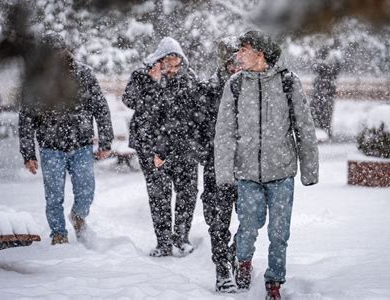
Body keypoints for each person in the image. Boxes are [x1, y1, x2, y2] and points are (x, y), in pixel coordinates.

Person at [214, 30, 319, 298]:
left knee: (279, 233)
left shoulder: (287, 82)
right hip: (247, 173)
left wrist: (309, 170)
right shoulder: (235, 85)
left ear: (260, 53)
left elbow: (304, 127)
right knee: (248, 227)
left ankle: (274, 282)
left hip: (282, 171)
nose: (238, 55)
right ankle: (244, 262)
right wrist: (224, 173)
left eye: (243, 49)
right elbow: (224, 132)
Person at [19, 33, 113, 245]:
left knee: (86, 191)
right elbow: (26, 118)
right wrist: (28, 153)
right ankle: (58, 234)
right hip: (50, 147)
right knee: (53, 196)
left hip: (81, 145)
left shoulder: (84, 74)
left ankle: (78, 216)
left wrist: (106, 141)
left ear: (66, 51)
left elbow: (101, 108)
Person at [122, 37, 200, 257]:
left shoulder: (189, 78)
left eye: (177, 64)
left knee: (188, 191)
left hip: (183, 144)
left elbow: (192, 111)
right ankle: (163, 242)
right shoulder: (142, 76)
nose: (173, 69)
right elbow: (131, 101)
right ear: (159, 60)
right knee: (159, 194)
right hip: (150, 144)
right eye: (168, 63)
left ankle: (181, 237)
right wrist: (154, 83)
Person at [197, 36, 241, 293]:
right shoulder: (208, 89)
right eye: (231, 60)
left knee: (250, 219)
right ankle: (222, 267)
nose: (236, 65)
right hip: (216, 164)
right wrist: (208, 154)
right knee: (217, 218)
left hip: (247, 166)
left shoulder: (253, 87)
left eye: (240, 59)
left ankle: (238, 257)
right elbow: (196, 128)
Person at [309, 45, 342, 138]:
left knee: (324, 113)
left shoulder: (332, 61)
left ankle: (324, 130)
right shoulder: (323, 65)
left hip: (326, 92)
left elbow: (336, 68)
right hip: (321, 92)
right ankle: (322, 130)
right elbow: (316, 68)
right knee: (320, 112)